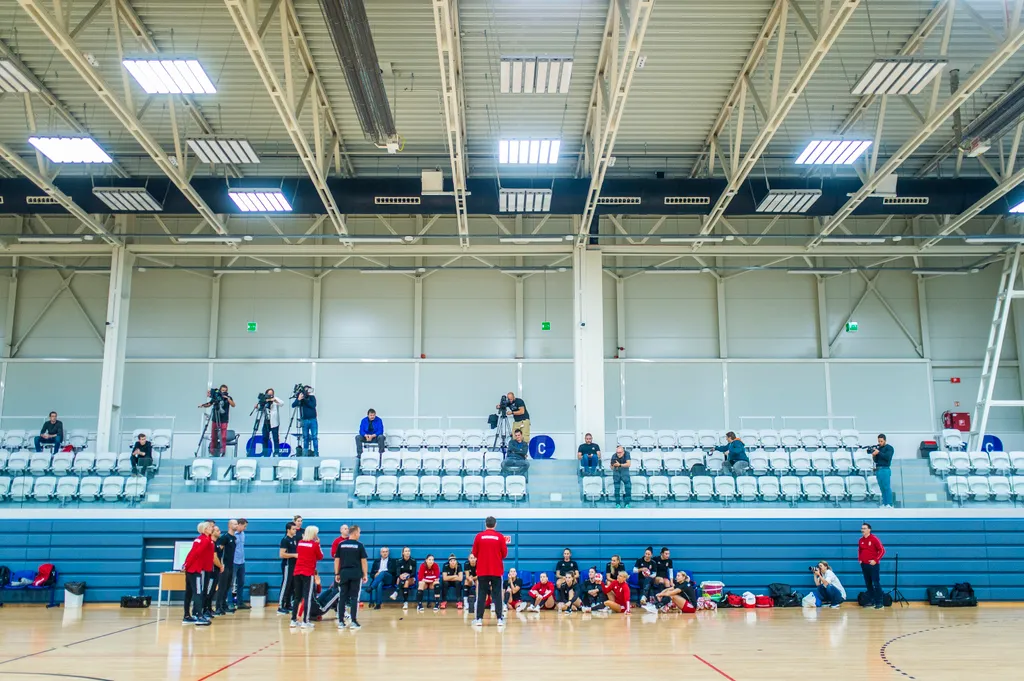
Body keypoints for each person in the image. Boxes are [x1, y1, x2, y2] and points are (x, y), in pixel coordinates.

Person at [470, 515, 508, 626]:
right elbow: (504, 554)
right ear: (495, 524)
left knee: (481, 594)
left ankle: (479, 619)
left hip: (482, 570)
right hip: (496, 570)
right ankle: (500, 619)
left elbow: (475, 553)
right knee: (497, 595)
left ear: (485, 524)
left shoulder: (479, 536)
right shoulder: (500, 537)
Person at [334, 524, 368, 630]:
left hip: (343, 573)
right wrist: (365, 574)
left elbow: (337, 560)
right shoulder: (360, 545)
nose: (360, 534)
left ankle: (340, 622)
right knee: (354, 598)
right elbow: (363, 561)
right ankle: (353, 621)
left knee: (342, 597)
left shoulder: (341, 544)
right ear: (355, 533)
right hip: (355, 573)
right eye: (359, 532)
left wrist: (337, 573)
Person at [182, 521, 215, 626]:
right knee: (197, 592)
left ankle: (187, 615)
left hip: (194, 569)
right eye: (210, 527)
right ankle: (199, 616)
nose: (212, 528)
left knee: (190, 592)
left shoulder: (205, 539)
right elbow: (194, 553)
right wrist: (186, 565)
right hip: (195, 570)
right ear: (205, 529)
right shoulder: (203, 540)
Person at [291, 525, 323, 629]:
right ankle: (305, 621)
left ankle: (293, 620)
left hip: (297, 572)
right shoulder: (314, 545)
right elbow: (320, 556)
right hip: (308, 573)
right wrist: (318, 544)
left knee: (297, 597)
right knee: (307, 597)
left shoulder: (300, 543)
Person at [199, 385, 235, 457]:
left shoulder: (228, 397)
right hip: (215, 419)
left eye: (225, 390)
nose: (224, 392)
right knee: (214, 436)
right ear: (220, 390)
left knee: (223, 436)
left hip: (224, 419)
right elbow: (209, 404)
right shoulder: (216, 397)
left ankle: (223, 451)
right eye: (222, 390)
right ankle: (212, 451)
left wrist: (227, 398)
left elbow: (233, 405)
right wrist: (202, 405)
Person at [858, 523, 886, 609]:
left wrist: (876, 560)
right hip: (864, 565)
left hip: (873, 565)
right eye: (862, 528)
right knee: (868, 584)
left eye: (865, 528)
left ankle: (880, 602)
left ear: (869, 529)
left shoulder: (874, 539)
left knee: (876, 583)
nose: (863, 530)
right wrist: (860, 559)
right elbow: (860, 550)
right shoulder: (861, 540)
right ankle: (872, 601)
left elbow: (882, 550)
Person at [213, 519, 238, 616]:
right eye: (234, 524)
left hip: (231, 565)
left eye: (237, 524)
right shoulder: (225, 538)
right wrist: (220, 564)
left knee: (227, 586)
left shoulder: (234, 538)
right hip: (224, 565)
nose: (236, 525)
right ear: (229, 525)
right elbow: (219, 551)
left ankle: (224, 605)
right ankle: (218, 607)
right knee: (222, 587)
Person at [277, 521, 299, 615]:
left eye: (295, 529)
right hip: (287, 565)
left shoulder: (294, 539)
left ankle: (288, 604)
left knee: (291, 585)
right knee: (285, 584)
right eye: (293, 529)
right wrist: (294, 555)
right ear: (288, 530)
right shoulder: (285, 540)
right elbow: (281, 554)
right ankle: (280, 606)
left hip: (293, 565)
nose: (295, 531)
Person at [869, 434, 895, 508]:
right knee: (882, 487)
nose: (880, 442)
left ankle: (889, 503)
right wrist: (874, 455)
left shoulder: (889, 448)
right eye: (879, 441)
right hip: (878, 469)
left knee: (887, 487)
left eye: (881, 441)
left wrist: (878, 453)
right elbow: (876, 460)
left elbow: (887, 457)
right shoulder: (878, 448)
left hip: (885, 469)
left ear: (885, 440)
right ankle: (884, 503)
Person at [291, 386, 319, 456]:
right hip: (305, 420)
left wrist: (306, 399)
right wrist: (299, 399)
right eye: (306, 390)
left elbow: (313, 405)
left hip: (313, 420)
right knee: (305, 437)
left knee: (314, 437)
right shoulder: (301, 399)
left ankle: (316, 453)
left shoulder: (312, 397)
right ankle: (305, 454)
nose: (307, 391)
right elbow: (293, 405)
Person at [203, 524, 223, 618]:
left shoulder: (216, 543)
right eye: (218, 531)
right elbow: (214, 558)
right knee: (208, 591)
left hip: (216, 571)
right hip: (211, 571)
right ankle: (205, 610)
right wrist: (220, 566)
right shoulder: (211, 543)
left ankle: (209, 609)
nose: (220, 532)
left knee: (212, 591)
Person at [257, 388, 284, 456]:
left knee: (275, 438)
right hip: (266, 422)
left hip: (274, 422)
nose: (270, 395)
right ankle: (265, 453)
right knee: (265, 438)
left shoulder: (275, 399)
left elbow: (282, 403)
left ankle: (276, 452)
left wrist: (274, 400)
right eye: (269, 394)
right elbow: (260, 409)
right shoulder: (264, 400)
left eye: (271, 394)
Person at [232, 519, 248, 610]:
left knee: (241, 582)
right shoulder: (233, 535)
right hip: (234, 561)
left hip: (242, 561)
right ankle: (230, 602)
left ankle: (240, 602)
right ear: (239, 525)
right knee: (231, 583)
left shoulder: (242, 534)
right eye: (244, 526)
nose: (245, 528)